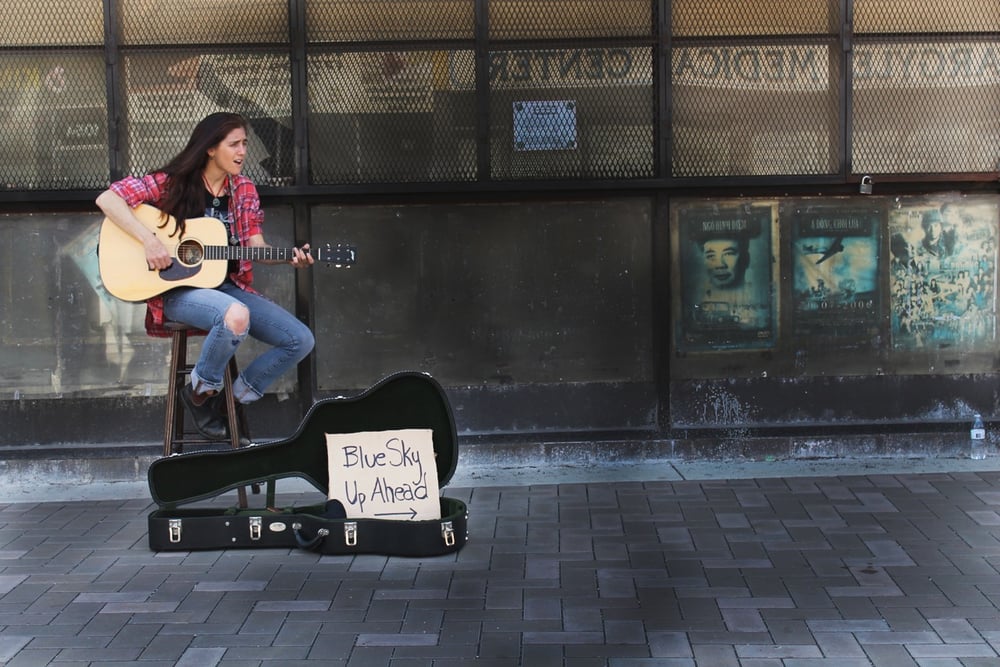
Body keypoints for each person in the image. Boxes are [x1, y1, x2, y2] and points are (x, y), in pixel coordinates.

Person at [96, 112, 315, 440]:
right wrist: (149, 240)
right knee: (235, 315)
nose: (243, 151)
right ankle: (200, 393)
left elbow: (256, 245)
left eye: (245, 144)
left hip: (227, 286)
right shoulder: (172, 182)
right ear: (211, 148)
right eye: (234, 144)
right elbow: (108, 199)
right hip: (177, 290)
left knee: (300, 340)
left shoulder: (244, 190)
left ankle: (228, 402)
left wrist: (289, 258)